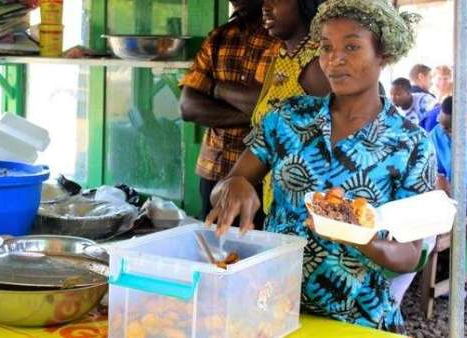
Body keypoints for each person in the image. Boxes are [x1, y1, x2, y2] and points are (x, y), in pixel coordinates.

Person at [207, 0, 433, 333]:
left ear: (383, 53)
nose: (334, 59)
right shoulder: (288, 117)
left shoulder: (411, 144)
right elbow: (227, 186)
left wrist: (362, 239)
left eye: (352, 47)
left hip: (358, 317)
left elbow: (411, 254)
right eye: (326, 47)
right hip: (274, 304)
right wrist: (234, 186)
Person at [179, 0, 281, 224]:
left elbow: (279, 106)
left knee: (260, 251)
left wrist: (215, 88)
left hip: (265, 176)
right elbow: (188, 106)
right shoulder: (219, 37)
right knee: (218, 251)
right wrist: (265, 117)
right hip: (215, 170)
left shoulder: (285, 39)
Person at [252, 0, 331, 214]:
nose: (265, 7)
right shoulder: (283, 56)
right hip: (276, 201)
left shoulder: (316, 64)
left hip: (308, 211)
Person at [431, 94, 467, 213]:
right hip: (455, 190)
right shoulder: (437, 135)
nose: (443, 130)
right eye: (441, 124)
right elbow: (437, 173)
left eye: (449, 127)